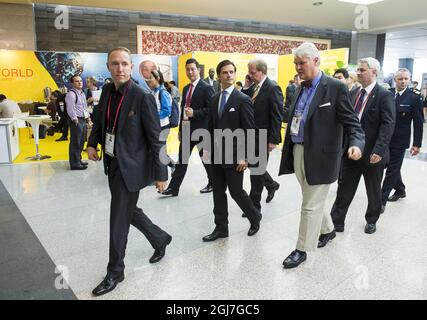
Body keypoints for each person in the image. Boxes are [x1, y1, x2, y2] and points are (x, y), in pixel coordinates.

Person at [87, 47, 171, 297]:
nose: (120, 68)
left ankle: (115, 271)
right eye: (115, 64)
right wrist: (92, 143)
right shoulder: (107, 91)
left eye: (124, 63)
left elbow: (156, 139)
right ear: (108, 66)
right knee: (128, 210)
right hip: (112, 163)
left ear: (131, 67)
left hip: (131, 166)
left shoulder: (142, 95)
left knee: (118, 218)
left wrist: (161, 174)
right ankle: (159, 238)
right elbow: (100, 119)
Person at [278, 42, 365, 269]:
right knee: (312, 200)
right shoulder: (300, 87)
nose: (297, 67)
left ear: (316, 61)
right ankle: (327, 230)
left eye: (302, 63)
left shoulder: (335, 87)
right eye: (295, 63)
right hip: (299, 151)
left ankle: (302, 249)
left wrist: (356, 144)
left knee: (309, 206)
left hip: (323, 157)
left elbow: (352, 122)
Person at [330, 57, 395, 235]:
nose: (357, 72)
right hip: (351, 151)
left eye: (362, 70)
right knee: (344, 188)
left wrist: (379, 151)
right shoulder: (354, 93)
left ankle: (372, 219)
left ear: (374, 72)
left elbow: (387, 125)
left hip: (373, 153)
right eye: (357, 69)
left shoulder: (384, 95)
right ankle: (337, 222)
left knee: (373, 190)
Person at [202, 60, 262, 242]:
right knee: (218, 192)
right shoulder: (214, 99)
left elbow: (250, 130)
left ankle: (254, 217)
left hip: (235, 155)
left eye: (232, 72)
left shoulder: (242, 99)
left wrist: (246, 157)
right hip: (216, 155)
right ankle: (221, 228)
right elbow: (211, 127)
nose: (229, 75)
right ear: (219, 76)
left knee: (236, 192)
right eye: (225, 72)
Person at [161, 58, 214, 196]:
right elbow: (183, 109)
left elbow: (211, 109)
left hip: (202, 130)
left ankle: (213, 182)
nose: (190, 72)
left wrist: (195, 113)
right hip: (186, 130)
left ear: (198, 70)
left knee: (206, 159)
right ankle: (174, 188)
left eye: (193, 69)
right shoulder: (186, 88)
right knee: (182, 160)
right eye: (188, 69)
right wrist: (180, 129)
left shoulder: (207, 88)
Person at [381, 68, 424, 210]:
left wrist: (417, 144)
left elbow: (418, 123)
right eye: (400, 79)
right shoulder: (387, 94)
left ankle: (381, 201)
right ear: (395, 79)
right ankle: (400, 189)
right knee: (389, 165)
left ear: (409, 80)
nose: (403, 81)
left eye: (406, 79)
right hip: (385, 138)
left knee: (391, 170)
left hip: (400, 140)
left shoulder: (414, 97)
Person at [246, 59, 283, 212]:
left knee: (256, 172)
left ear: (262, 71)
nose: (250, 75)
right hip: (252, 136)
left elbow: (277, 116)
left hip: (263, 136)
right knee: (255, 167)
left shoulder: (273, 88)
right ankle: (271, 185)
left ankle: (254, 207)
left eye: (253, 72)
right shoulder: (255, 87)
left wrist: (273, 140)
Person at [146, 69, 176, 173]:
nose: (149, 80)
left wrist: (152, 117)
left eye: (151, 78)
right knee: (155, 149)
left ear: (158, 78)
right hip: (155, 126)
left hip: (163, 126)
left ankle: (171, 166)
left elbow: (166, 111)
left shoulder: (163, 92)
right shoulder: (154, 92)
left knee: (160, 150)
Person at [65, 75, 89, 170]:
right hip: (76, 120)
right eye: (77, 81)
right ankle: (74, 163)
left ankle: (78, 160)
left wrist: (88, 119)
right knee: (75, 142)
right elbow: (70, 108)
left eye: (80, 81)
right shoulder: (71, 94)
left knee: (81, 141)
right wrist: (75, 119)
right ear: (72, 83)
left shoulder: (82, 93)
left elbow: (84, 107)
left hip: (83, 119)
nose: (80, 83)